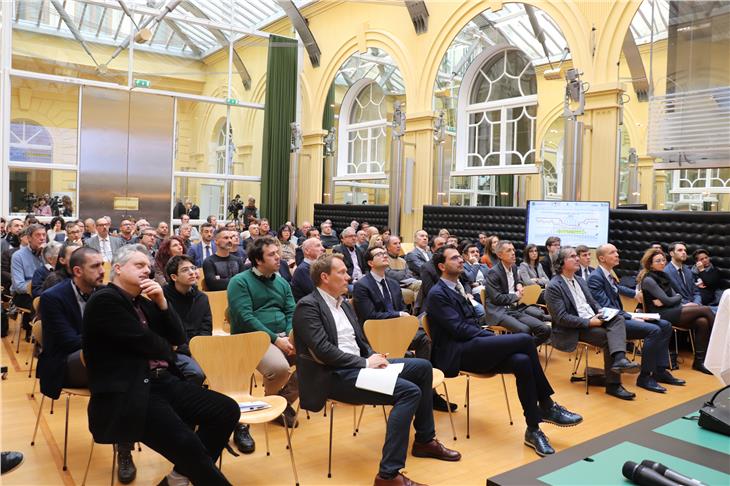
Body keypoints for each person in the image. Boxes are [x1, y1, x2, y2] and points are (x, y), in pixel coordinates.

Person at [294, 253, 461, 485]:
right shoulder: (308, 306)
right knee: (409, 392)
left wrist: (372, 355)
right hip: (335, 376)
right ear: (324, 277)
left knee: (422, 367)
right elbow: (323, 351)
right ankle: (388, 475)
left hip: (359, 367)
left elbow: (358, 340)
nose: (348, 276)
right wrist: (365, 363)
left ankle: (424, 441)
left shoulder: (343, 303)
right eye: (341, 272)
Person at [83, 245, 239, 486]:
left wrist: (162, 302)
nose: (147, 270)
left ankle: (177, 478)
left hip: (163, 380)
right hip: (131, 391)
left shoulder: (144, 302)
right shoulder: (104, 300)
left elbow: (178, 339)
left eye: (148, 266)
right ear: (117, 268)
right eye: (139, 265)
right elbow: (149, 343)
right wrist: (167, 348)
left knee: (226, 409)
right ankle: (185, 473)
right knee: (190, 448)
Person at [425, 246, 583, 457]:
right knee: (526, 340)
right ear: (442, 266)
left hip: (473, 345)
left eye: (459, 257)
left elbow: (472, 322)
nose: (460, 260)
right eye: (454, 258)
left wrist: (488, 338)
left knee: (521, 361)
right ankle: (546, 404)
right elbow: (459, 330)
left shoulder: (457, 287)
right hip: (457, 353)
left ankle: (533, 429)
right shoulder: (437, 294)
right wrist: (491, 338)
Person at [38, 247, 139, 483]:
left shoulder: (106, 293)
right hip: (67, 363)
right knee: (123, 375)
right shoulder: (53, 297)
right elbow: (68, 341)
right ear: (77, 270)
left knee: (121, 377)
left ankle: (124, 446)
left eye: (102, 264)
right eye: (95, 266)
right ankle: (124, 448)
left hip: (102, 363)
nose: (101, 271)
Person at [544, 247, 640, 400]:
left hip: (594, 318)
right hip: (575, 328)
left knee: (618, 318)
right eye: (573, 256)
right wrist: (590, 322)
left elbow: (593, 302)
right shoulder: (553, 286)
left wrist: (602, 313)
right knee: (610, 339)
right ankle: (613, 385)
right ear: (561, 262)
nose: (577, 259)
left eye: (577, 256)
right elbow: (561, 318)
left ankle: (620, 359)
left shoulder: (580, 280)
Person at [588, 244, 682, 392]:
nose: (617, 254)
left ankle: (660, 370)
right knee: (654, 330)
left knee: (665, 325)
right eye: (613, 252)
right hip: (611, 323)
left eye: (617, 251)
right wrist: (632, 316)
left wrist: (633, 294)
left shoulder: (608, 274)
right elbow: (606, 308)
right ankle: (645, 377)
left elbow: (617, 289)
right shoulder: (595, 278)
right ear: (602, 258)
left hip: (619, 317)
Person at [227, 237, 299, 427]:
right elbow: (245, 318)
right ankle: (274, 405)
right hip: (252, 339)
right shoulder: (240, 282)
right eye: (272, 254)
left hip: (283, 336)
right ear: (258, 260)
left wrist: (291, 333)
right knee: (279, 369)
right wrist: (276, 340)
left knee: (316, 359)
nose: (279, 258)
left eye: (278, 253)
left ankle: (280, 401)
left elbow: (291, 310)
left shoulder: (282, 282)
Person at [638, 248, 715, 374]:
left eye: (663, 260)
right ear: (650, 264)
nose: (662, 263)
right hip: (660, 314)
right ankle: (719, 342)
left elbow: (674, 298)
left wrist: (672, 299)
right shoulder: (648, 280)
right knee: (705, 309)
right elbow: (670, 300)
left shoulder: (664, 275)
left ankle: (699, 362)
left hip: (672, 310)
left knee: (702, 322)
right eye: (658, 261)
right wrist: (672, 298)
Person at [484, 241, 551, 346]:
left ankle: (521, 350)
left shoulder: (514, 267)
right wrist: (516, 296)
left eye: (513, 250)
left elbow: (517, 281)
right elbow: (496, 298)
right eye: (509, 250)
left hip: (514, 308)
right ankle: (522, 352)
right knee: (525, 330)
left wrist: (519, 285)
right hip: (499, 311)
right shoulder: (493, 272)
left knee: (545, 329)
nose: (513, 253)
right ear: (500, 255)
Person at [163, 255, 208, 386]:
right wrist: (190, 351)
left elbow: (206, 329)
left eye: (193, 268)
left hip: (198, 347)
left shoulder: (202, 298)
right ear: (174, 277)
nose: (192, 272)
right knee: (196, 372)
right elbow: (167, 334)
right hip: (175, 350)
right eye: (185, 270)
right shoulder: (163, 298)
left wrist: (198, 350)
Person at [11, 224, 46, 340]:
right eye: (38, 235)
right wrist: (36, 287)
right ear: (29, 238)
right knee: (41, 302)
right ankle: (38, 337)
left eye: (44, 235)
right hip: (23, 295)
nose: (42, 238)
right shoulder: (18, 256)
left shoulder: (47, 253)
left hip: (44, 291)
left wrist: (45, 256)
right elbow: (19, 286)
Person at [291, 237, 325, 302]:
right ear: (307, 251)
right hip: (308, 307)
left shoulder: (318, 267)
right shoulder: (302, 270)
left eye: (322, 245)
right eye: (318, 246)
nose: (323, 248)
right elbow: (316, 293)